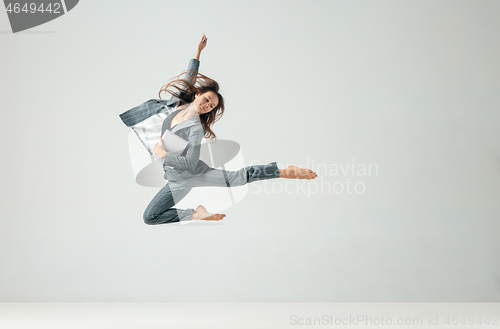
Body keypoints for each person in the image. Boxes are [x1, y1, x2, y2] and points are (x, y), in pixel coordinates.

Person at [119, 34, 318, 225]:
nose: (208, 105)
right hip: (175, 180)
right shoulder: (176, 105)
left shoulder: (195, 129)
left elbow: (190, 162)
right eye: (207, 99)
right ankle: (196, 214)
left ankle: (284, 171)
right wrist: (198, 52)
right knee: (150, 217)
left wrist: (163, 155)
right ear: (197, 95)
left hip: (193, 173)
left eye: (212, 106)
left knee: (236, 178)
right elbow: (190, 77)